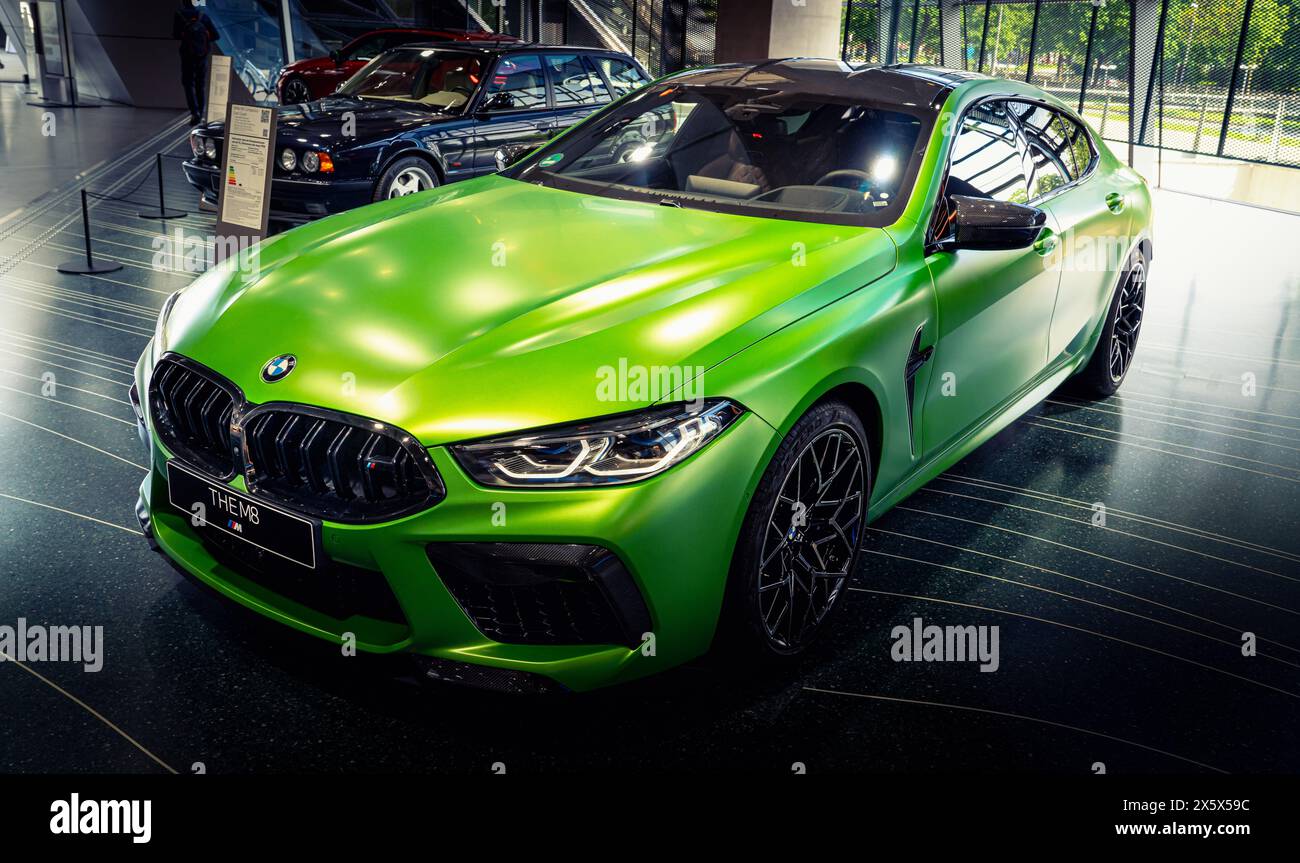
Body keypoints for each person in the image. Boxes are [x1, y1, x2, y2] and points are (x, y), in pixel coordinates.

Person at [173, 0, 219, 125]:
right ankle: (201, 110)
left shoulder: (180, 15)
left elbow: (175, 35)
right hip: (202, 56)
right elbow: (216, 36)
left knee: (188, 84)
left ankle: (195, 112)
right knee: (200, 84)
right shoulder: (203, 16)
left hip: (187, 56)